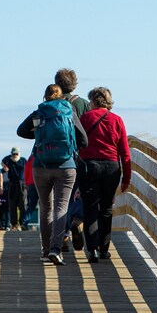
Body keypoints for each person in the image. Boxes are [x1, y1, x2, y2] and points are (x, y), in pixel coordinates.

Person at [17, 84, 88, 265]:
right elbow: (84, 140)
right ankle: (56, 249)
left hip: (41, 165)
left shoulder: (39, 112)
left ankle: (45, 249)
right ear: (61, 96)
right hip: (66, 166)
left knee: (45, 207)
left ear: (45, 96)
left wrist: (41, 135)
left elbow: (21, 131)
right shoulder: (69, 112)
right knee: (61, 207)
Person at [78, 87, 132, 262]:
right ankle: (103, 249)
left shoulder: (85, 118)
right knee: (106, 208)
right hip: (111, 167)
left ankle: (91, 249)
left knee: (90, 208)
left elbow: (77, 144)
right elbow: (125, 152)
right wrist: (126, 178)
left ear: (93, 101)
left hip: (90, 167)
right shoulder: (117, 120)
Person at [55, 68, 90, 250]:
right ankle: (77, 221)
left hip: (55, 159)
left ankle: (63, 235)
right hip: (78, 158)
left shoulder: (52, 104)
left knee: (61, 199)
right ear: (74, 84)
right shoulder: (84, 104)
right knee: (78, 194)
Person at [2, 147, 26, 230]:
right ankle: (14, 224)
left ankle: (23, 223)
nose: (15, 155)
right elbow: (2, 162)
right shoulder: (8, 159)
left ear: (19, 153)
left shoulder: (23, 160)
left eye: (16, 154)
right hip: (12, 185)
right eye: (13, 154)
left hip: (22, 185)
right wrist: (4, 166)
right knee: (12, 205)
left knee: (23, 205)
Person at [23, 153, 38, 230]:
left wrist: (26, 183)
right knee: (46, 205)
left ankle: (25, 222)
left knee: (31, 205)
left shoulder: (30, 158)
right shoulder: (46, 154)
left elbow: (26, 171)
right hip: (42, 184)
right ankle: (47, 225)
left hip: (31, 184)